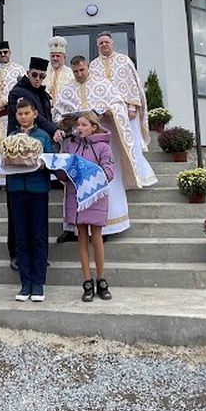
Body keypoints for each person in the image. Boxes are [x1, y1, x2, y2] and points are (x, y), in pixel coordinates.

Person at [55, 55, 156, 239]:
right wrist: (64, 120)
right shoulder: (67, 89)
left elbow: (118, 105)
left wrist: (110, 112)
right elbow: (56, 115)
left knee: (103, 182)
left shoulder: (104, 84)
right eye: (75, 71)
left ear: (88, 67)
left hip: (99, 146)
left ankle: (106, 227)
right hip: (77, 146)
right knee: (74, 185)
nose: (79, 74)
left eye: (82, 70)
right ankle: (73, 227)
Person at [61, 112, 115, 302]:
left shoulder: (103, 147)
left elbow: (109, 171)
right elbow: (64, 172)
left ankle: (101, 279)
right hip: (75, 197)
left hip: (95, 197)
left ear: (94, 127)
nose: (80, 128)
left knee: (97, 237)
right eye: (79, 125)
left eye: (84, 125)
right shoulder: (70, 145)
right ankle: (87, 282)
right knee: (81, 237)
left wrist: (89, 173)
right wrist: (59, 168)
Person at [7, 98, 56, 302]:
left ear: (35, 114)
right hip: (16, 189)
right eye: (20, 114)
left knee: (38, 236)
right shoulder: (11, 136)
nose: (23, 117)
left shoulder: (43, 136)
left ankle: (38, 283)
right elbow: (5, 158)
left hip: (37, 190)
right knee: (21, 237)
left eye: (27, 113)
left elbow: (52, 159)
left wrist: (43, 163)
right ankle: (25, 283)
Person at [89, 31, 150, 154]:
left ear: (112, 43)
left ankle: (133, 172)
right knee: (110, 145)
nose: (104, 45)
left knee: (130, 143)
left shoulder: (124, 60)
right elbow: (92, 89)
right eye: (101, 43)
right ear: (98, 46)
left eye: (106, 42)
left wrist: (132, 107)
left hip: (126, 111)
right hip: (104, 114)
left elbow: (132, 84)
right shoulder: (94, 65)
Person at [44, 36, 74, 106]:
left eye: (58, 56)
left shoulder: (71, 73)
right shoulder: (43, 73)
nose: (55, 58)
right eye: (52, 56)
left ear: (64, 57)